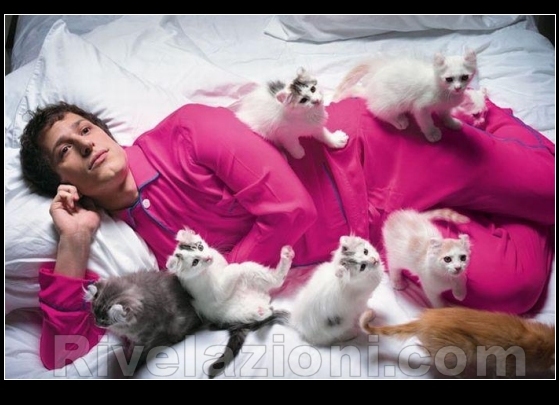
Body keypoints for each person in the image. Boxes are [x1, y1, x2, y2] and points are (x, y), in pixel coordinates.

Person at [20, 97, 555, 371]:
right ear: (63, 182)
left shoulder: (187, 129)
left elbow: (290, 211)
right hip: (375, 230)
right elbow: (64, 354)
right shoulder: (135, 238)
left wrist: (219, 287)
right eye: (66, 149)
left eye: (84, 128)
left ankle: (491, 121)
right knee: (514, 288)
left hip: (381, 153)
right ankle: (490, 200)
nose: (85, 143)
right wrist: (75, 241)